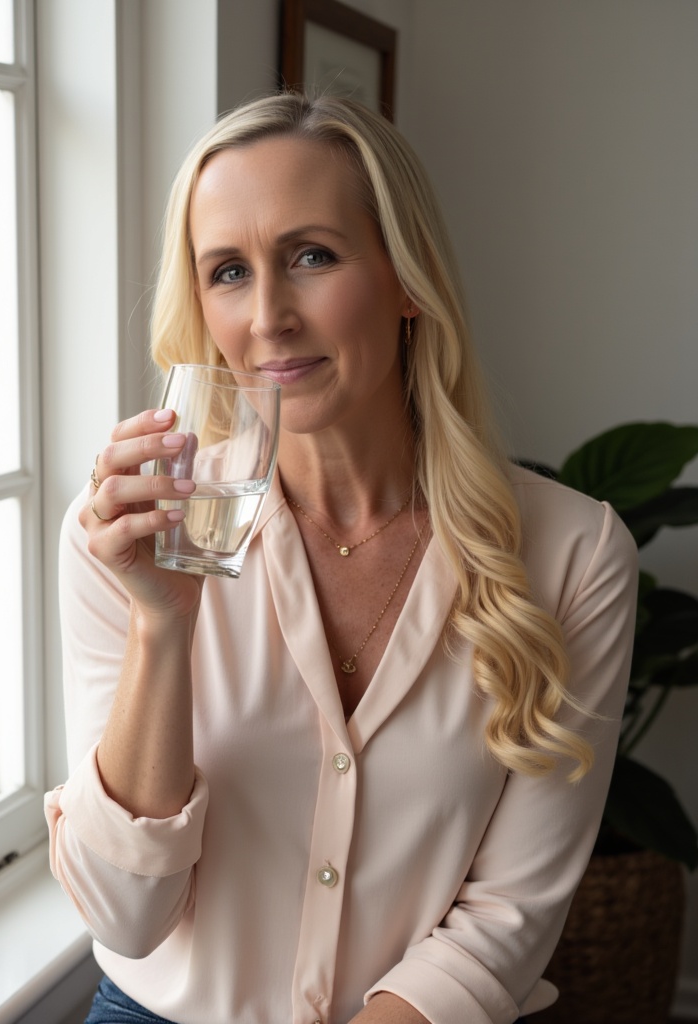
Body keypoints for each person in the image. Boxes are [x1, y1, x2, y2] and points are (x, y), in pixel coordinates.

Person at [45, 93, 638, 1024]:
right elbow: (126, 917)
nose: (269, 315)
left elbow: (508, 918)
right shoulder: (126, 534)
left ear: (409, 279)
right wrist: (163, 626)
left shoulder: (575, 555)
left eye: (311, 256)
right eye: (228, 271)